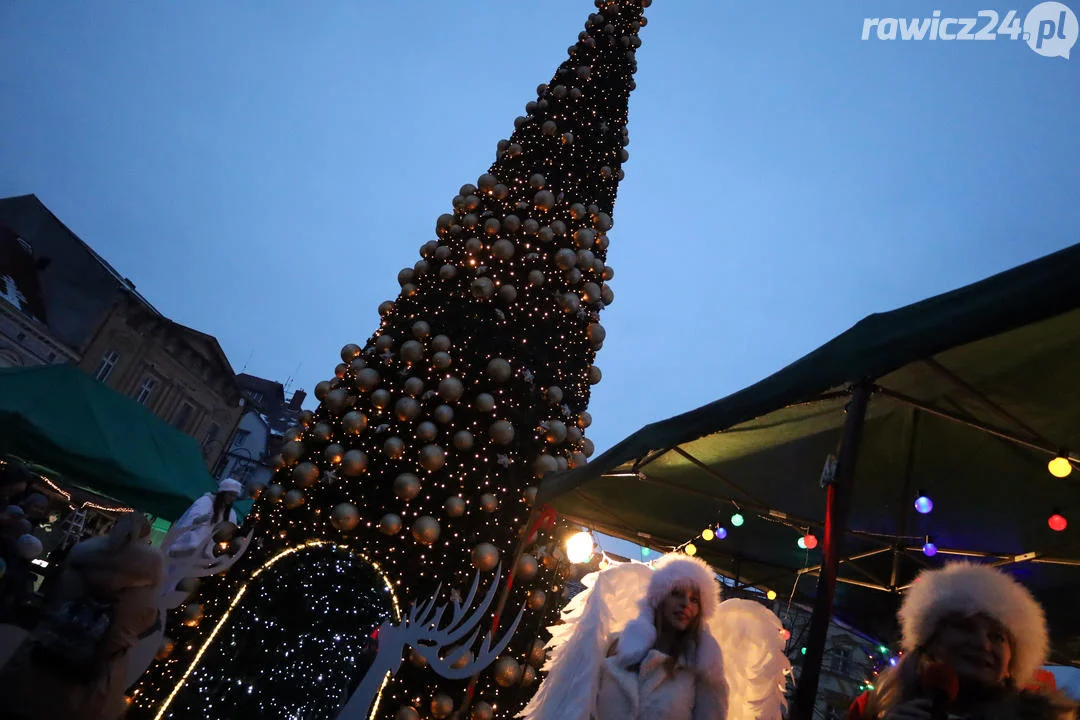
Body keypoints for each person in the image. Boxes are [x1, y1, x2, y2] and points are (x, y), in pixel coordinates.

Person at [520, 553, 790, 720]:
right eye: (677, 593)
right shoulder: (618, 646)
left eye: (694, 599)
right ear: (659, 597)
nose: (685, 604)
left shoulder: (703, 671)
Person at [848, 562, 1077, 720]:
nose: (982, 644)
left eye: (997, 636)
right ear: (930, 642)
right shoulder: (873, 707)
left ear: (1011, 665)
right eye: (964, 627)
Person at [0, 511, 163, 720]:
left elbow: (54, 602)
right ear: (146, 540)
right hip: (91, 684)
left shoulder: (81, 560)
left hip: (38, 664)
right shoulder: (146, 583)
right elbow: (130, 631)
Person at [166, 478, 242, 558]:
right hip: (188, 549)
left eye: (235, 496)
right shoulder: (206, 501)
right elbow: (190, 521)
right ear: (223, 493)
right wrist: (197, 520)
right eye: (231, 495)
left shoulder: (231, 513)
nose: (232, 499)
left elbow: (230, 531)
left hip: (208, 553)